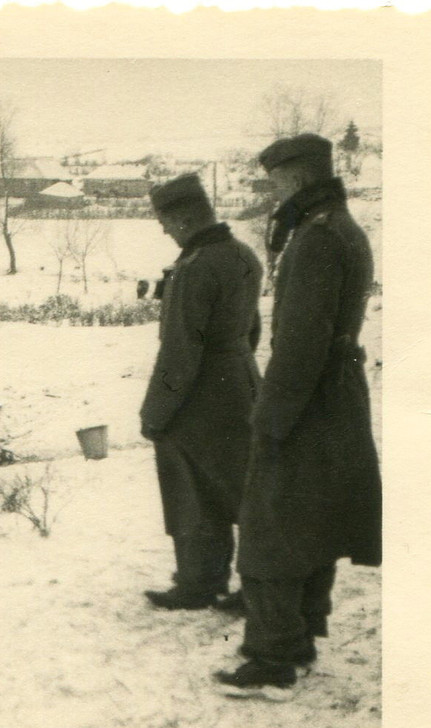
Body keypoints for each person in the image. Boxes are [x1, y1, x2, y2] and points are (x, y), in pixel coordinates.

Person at [215, 134, 381, 700]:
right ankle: (302, 637)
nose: (274, 188)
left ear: (300, 178)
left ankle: (273, 658)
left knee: (270, 528)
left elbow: (300, 345)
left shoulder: (315, 240)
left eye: (279, 179)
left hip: (304, 401)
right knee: (313, 523)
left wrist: (270, 417)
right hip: (336, 398)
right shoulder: (344, 229)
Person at [140, 173, 263, 611]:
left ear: (186, 218)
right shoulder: (244, 255)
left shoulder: (193, 269)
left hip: (197, 400)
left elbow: (180, 350)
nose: (165, 230)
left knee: (191, 493)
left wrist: (156, 412)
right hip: (243, 386)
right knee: (244, 491)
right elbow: (252, 330)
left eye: (167, 221)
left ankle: (199, 583)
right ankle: (259, 587)